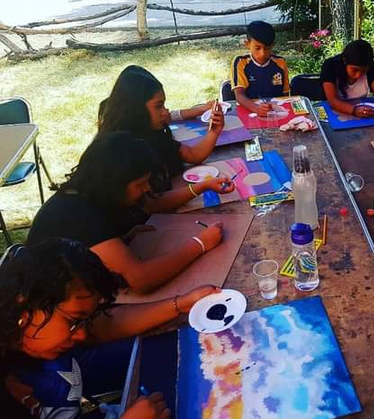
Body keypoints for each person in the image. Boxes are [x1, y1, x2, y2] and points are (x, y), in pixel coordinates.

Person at [0, 238, 218, 418]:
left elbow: (107, 324)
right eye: (73, 321)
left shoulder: (42, 343)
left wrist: (183, 303)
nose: (82, 334)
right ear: (24, 302)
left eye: (86, 320)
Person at [28, 132, 234, 294]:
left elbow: (94, 245)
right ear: (113, 183)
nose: (147, 189)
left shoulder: (89, 194)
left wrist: (121, 240)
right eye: (140, 184)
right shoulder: (78, 214)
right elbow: (141, 280)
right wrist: (201, 243)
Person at [98, 65, 224, 193]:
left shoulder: (153, 133)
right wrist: (200, 188)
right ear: (136, 110)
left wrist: (214, 131)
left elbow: (193, 155)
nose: (165, 112)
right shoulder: (123, 151)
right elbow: (152, 202)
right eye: (158, 106)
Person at [231, 21, 290, 116]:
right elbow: (239, 95)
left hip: (275, 113)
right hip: (250, 112)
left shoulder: (280, 63)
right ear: (247, 44)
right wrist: (257, 109)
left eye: (267, 48)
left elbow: (285, 95)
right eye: (257, 48)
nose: (262, 53)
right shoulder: (240, 62)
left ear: (272, 45)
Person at [320, 39, 374, 118]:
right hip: (333, 115)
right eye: (354, 70)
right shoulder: (330, 66)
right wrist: (354, 110)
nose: (358, 75)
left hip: (362, 114)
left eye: (363, 71)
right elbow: (332, 100)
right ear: (344, 61)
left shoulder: (369, 66)